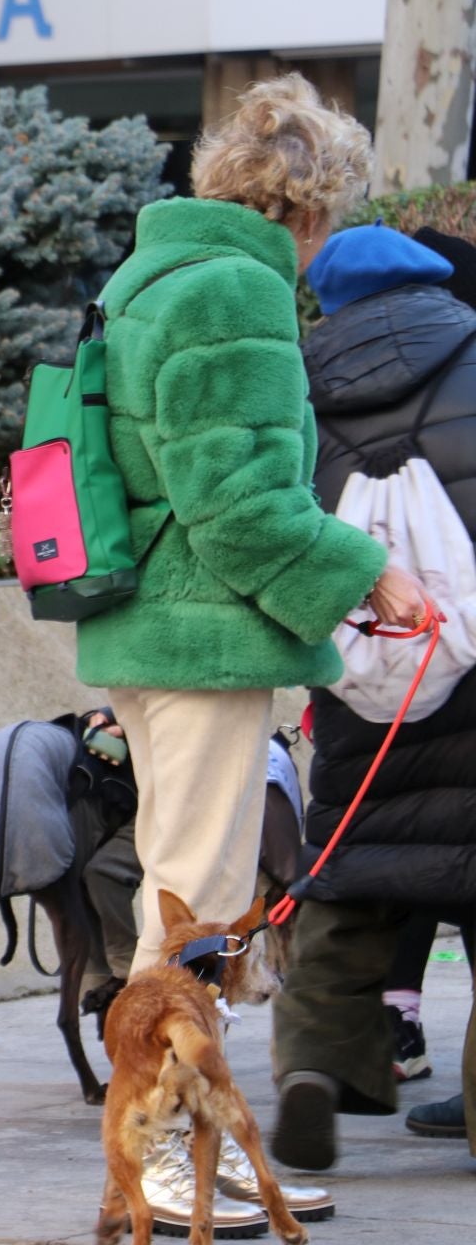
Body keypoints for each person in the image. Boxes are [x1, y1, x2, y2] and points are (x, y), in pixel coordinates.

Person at [77, 73, 426, 1228]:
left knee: (178, 906)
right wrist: (369, 570)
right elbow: (237, 504)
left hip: (157, 625)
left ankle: (199, 1144)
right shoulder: (238, 290)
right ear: (308, 204)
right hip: (204, 636)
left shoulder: (161, 273)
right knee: (196, 918)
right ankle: (161, 1157)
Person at [268, 220, 476, 1171]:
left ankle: (312, 1070)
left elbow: (283, 528)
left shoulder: (300, 387)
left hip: (368, 687)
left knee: (348, 889)